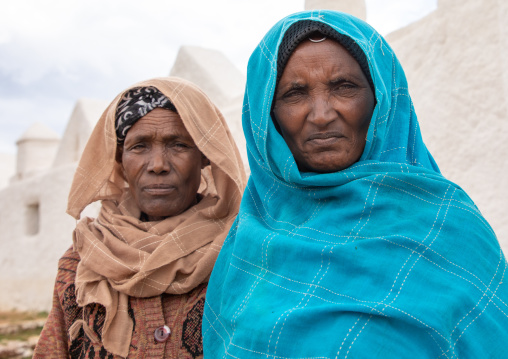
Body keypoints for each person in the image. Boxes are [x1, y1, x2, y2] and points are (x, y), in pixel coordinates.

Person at [203, 10, 508, 358]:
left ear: (381, 99)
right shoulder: (249, 245)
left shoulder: (450, 232)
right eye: (295, 93)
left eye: (343, 87)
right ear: (266, 116)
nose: (320, 114)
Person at [34, 77, 246, 358]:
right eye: (139, 146)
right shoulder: (80, 263)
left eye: (178, 144)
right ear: (119, 160)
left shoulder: (245, 254)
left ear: (206, 157)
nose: (158, 165)